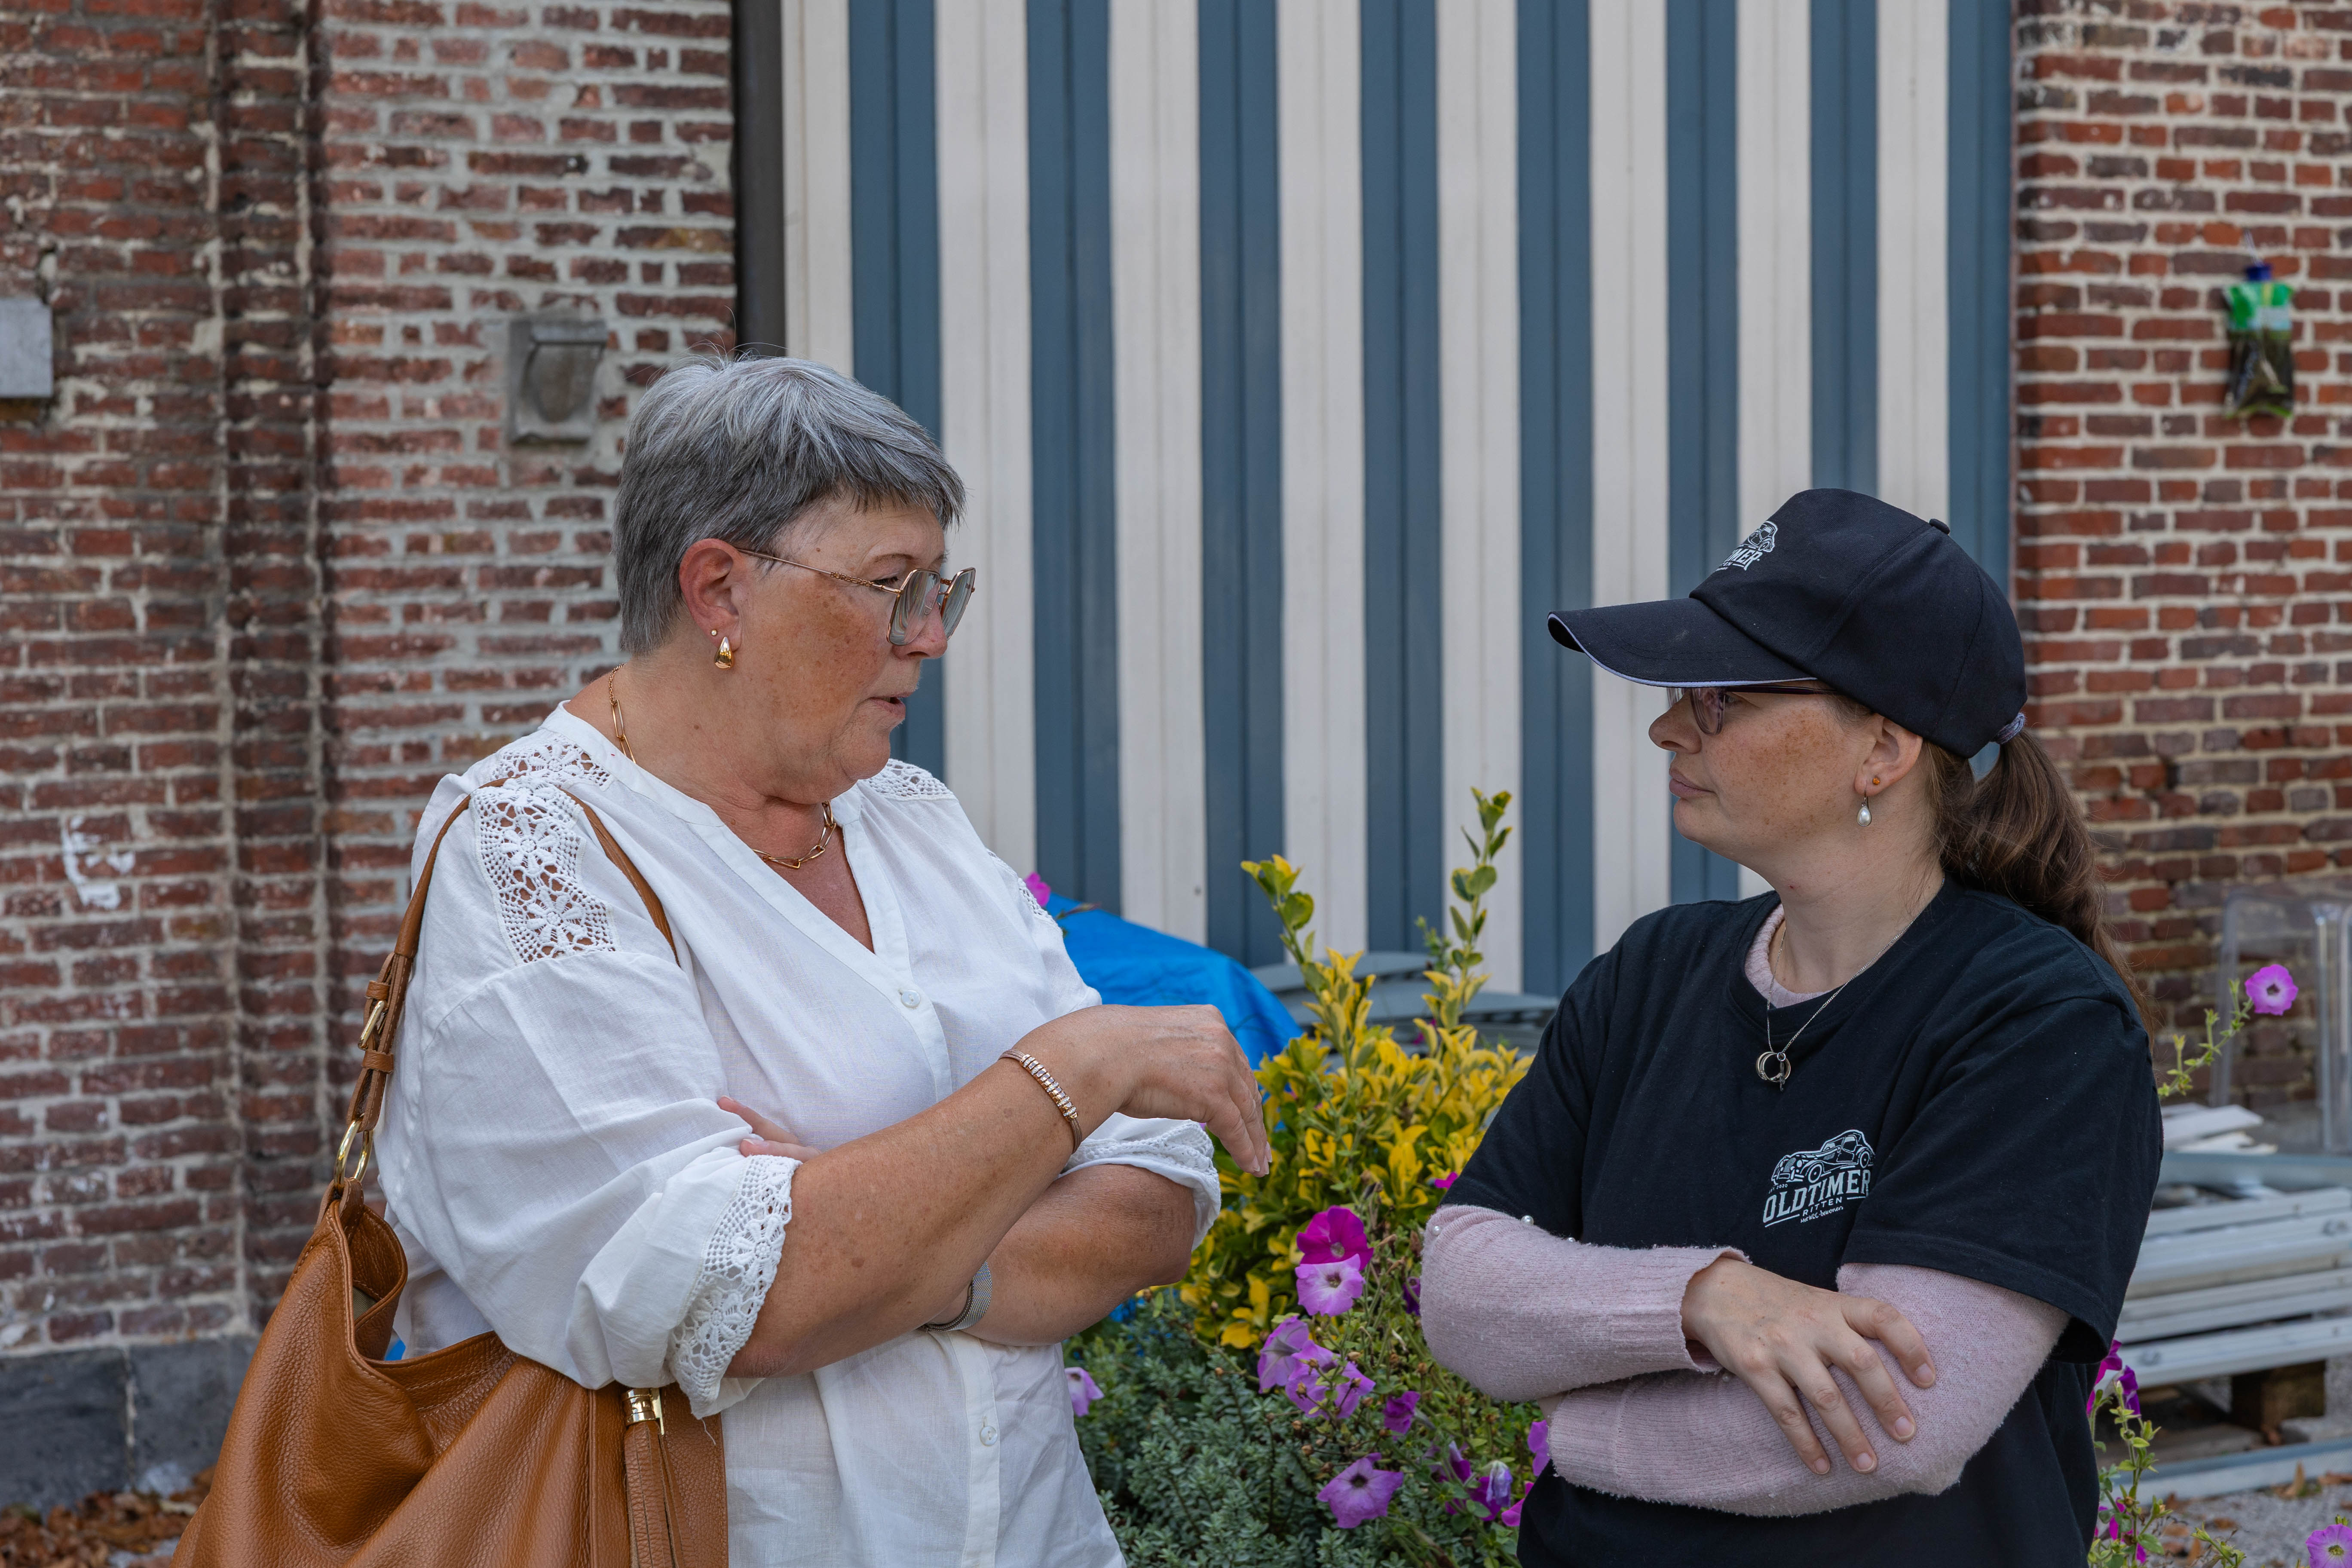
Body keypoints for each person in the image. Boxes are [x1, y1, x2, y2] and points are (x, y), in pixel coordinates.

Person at [374, 355, 1271, 1567]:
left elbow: (1157, 1199)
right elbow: (713, 1295)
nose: (934, 635)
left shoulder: (909, 817)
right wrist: (1069, 1074)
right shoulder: (532, 851)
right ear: (720, 591)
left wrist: (890, 1244)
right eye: (891, 586)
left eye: (940, 587)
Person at [1420, 490, 2162, 1564]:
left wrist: (1574, 1425)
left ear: (1884, 747)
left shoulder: (2040, 1021)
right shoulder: (1651, 974)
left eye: (1722, 697)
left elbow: (1891, 1427)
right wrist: (1704, 1298)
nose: (1668, 724)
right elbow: (1465, 1286)